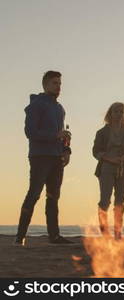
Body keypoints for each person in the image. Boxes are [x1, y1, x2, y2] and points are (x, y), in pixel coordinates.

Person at [15, 71, 74, 245]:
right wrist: (55, 136)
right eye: (55, 83)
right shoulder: (36, 105)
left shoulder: (60, 108)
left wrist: (67, 150)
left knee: (53, 196)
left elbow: (62, 135)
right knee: (34, 194)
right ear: (45, 85)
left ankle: (54, 236)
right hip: (40, 156)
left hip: (57, 157)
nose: (58, 86)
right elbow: (30, 132)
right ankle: (20, 237)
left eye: (60, 83)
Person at [92, 102, 124, 240]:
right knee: (105, 200)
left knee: (120, 201)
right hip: (107, 167)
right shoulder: (102, 132)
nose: (119, 114)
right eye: (116, 111)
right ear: (110, 113)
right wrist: (110, 159)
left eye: (121, 112)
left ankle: (118, 233)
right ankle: (105, 232)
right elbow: (95, 152)